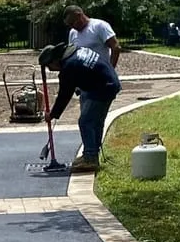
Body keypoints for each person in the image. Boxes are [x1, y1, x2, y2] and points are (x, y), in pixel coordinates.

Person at [38, 41, 121, 173]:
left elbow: (64, 95)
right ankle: (92, 154)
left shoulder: (69, 67)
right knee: (95, 122)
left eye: (49, 66)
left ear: (54, 61)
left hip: (103, 87)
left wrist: (52, 114)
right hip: (109, 82)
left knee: (86, 121)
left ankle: (90, 158)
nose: (50, 70)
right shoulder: (76, 52)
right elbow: (84, 73)